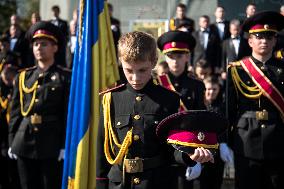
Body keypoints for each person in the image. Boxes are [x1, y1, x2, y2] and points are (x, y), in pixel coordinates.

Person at [96, 31, 214, 189]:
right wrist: (100, 183)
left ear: (154, 62)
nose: (135, 78)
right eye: (129, 70)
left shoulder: (169, 99)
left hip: (156, 181)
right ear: (120, 62)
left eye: (142, 70)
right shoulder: (111, 99)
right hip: (119, 182)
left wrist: (189, 156)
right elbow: (102, 150)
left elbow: (172, 147)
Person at [8, 21, 71, 189]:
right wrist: (11, 141)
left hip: (51, 143)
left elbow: (66, 114)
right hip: (23, 141)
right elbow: (15, 113)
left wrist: (64, 145)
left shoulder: (64, 77)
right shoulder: (23, 77)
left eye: (44, 44)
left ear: (55, 48)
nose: (39, 48)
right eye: (36, 44)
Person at [227, 11, 284, 189]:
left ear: (275, 40)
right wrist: (225, 141)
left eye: (269, 36)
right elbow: (229, 108)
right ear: (250, 41)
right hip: (245, 141)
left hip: (278, 141)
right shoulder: (236, 70)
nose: (264, 41)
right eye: (259, 36)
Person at [157, 30, 207, 189]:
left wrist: (198, 157)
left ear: (187, 57)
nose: (175, 61)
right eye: (171, 56)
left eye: (179, 56)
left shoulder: (197, 85)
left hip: (187, 148)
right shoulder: (157, 84)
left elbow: (201, 121)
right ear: (165, 57)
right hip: (161, 148)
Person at [199, 75, 232, 189]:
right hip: (201, 151)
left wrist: (224, 143)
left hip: (217, 151)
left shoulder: (223, 107)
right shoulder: (199, 105)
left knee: (216, 182)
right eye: (208, 89)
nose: (211, 92)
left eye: (214, 89)